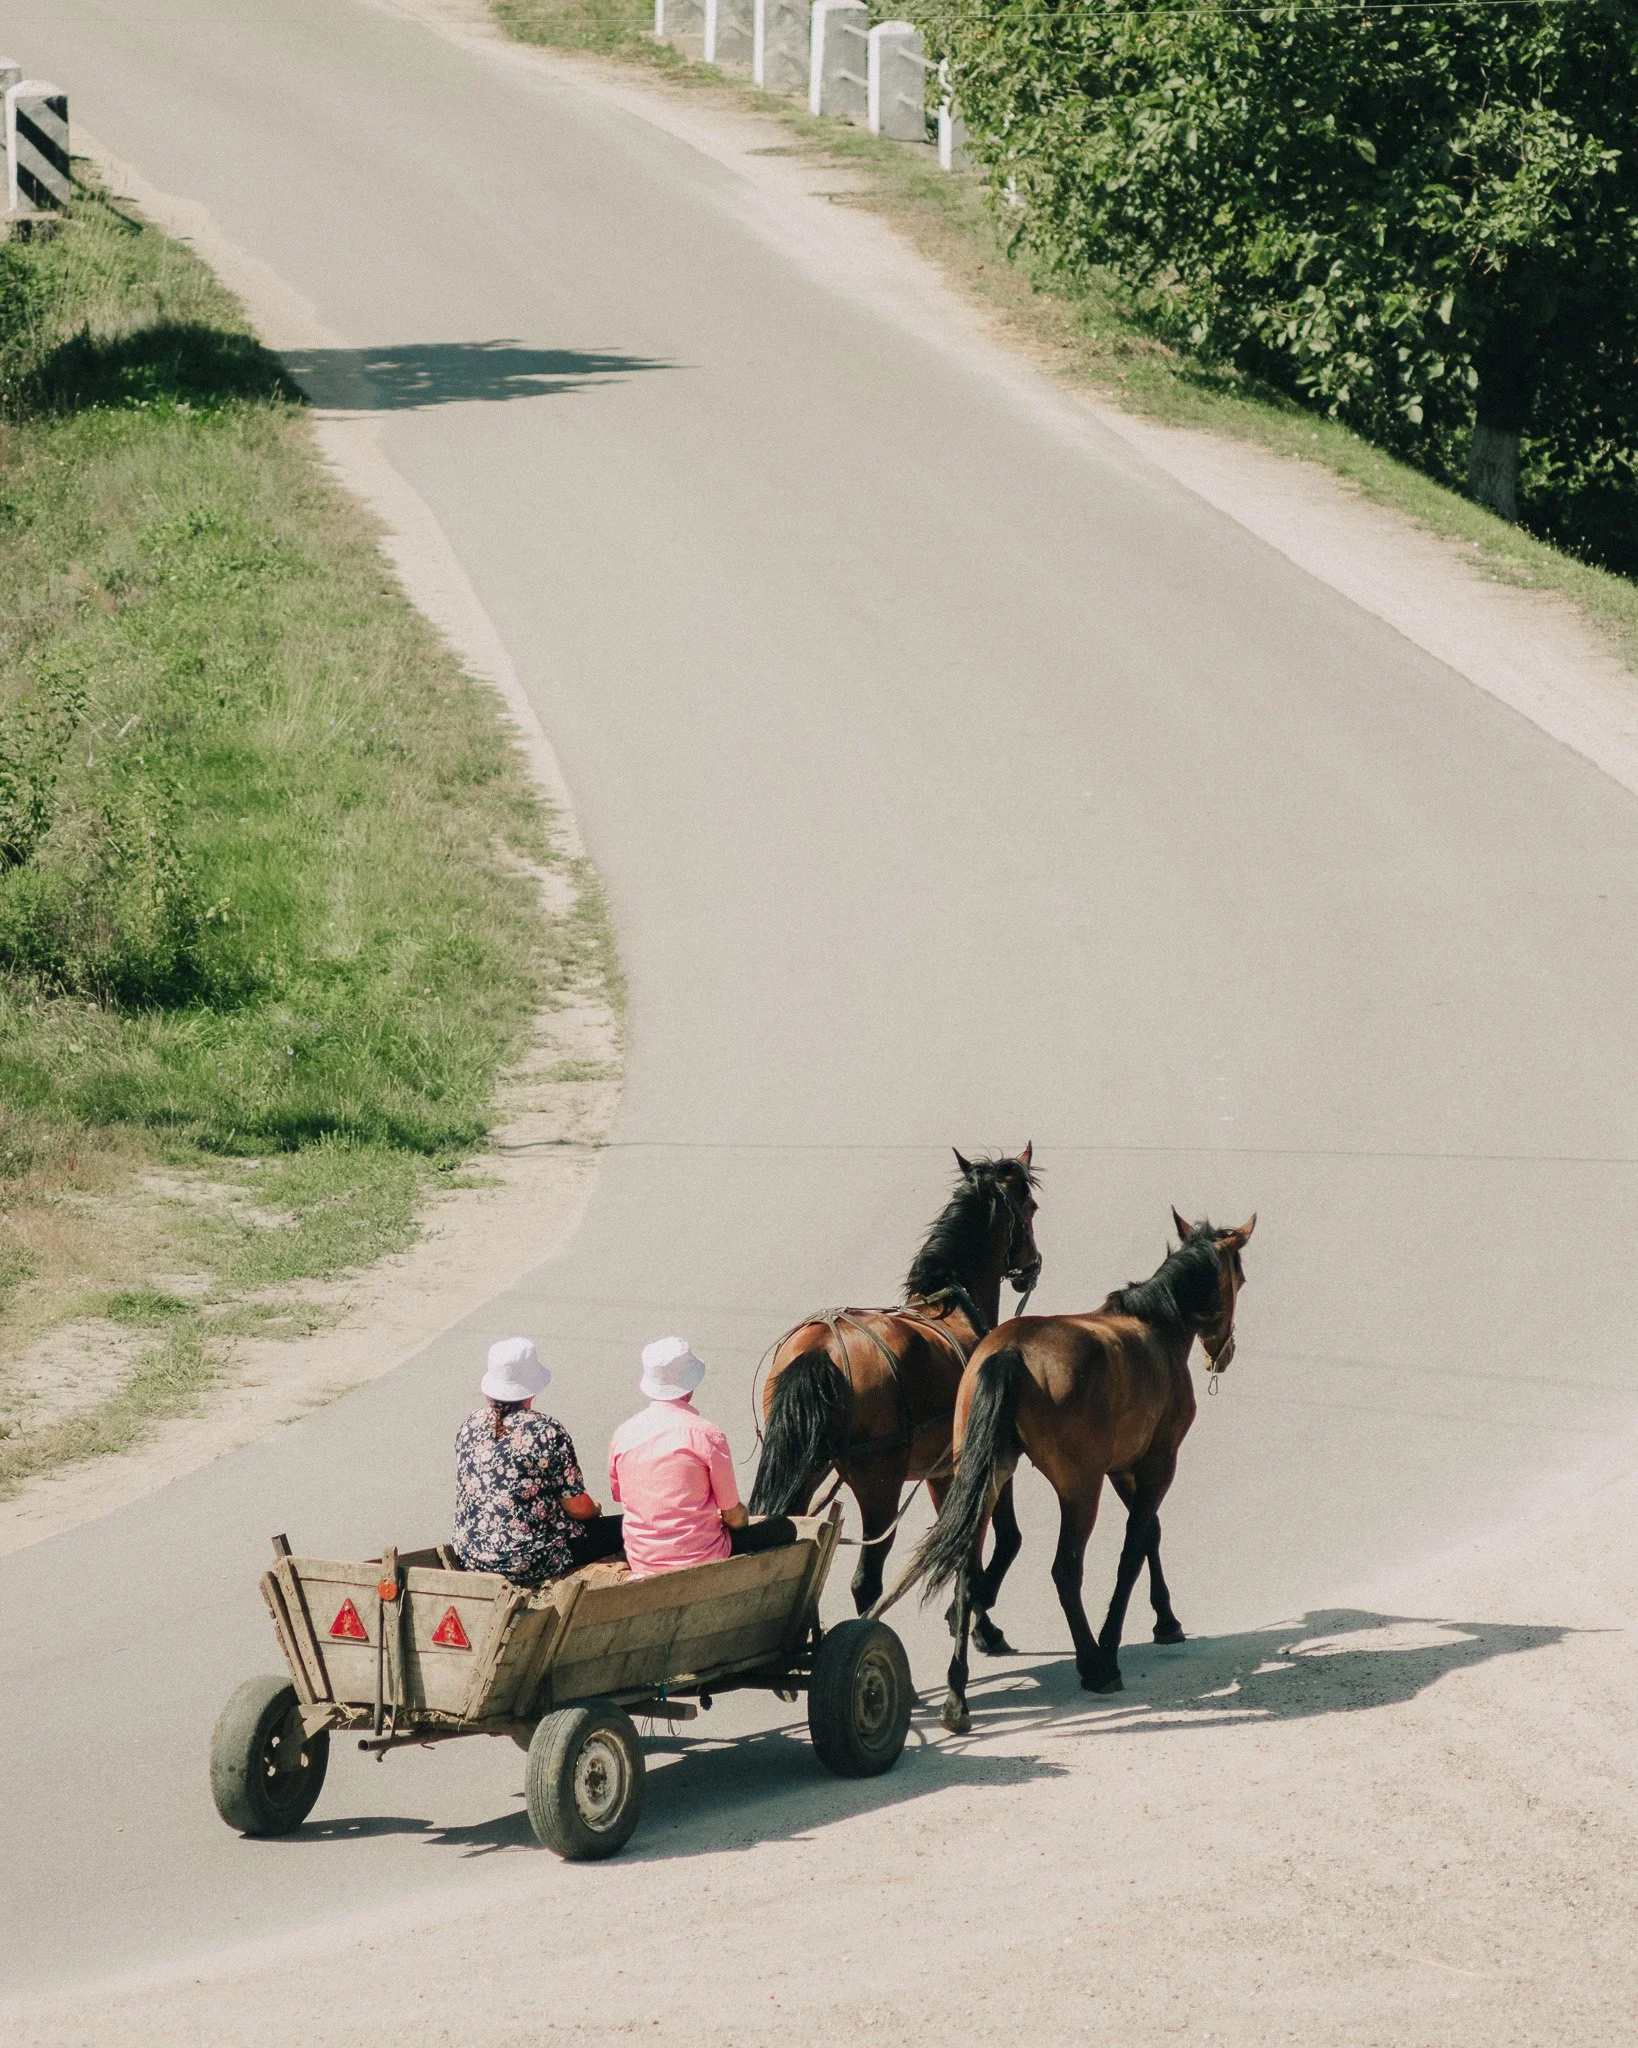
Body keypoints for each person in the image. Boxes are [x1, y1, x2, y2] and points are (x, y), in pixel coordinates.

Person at [608, 1336, 796, 1580]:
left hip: (643, 1560)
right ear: (690, 1387)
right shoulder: (706, 1434)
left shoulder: (623, 1434)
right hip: (703, 1556)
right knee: (784, 1528)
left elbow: (620, 1495)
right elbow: (733, 1516)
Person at [452, 1336, 624, 1585]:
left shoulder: (470, 1425)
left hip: (471, 1556)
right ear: (531, 1388)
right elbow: (577, 1508)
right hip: (530, 1559)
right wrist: (595, 1509)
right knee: (624, 1528)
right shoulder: (546, 1431)